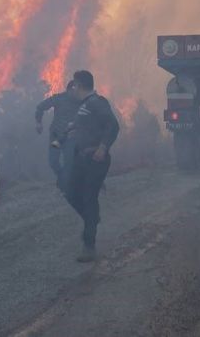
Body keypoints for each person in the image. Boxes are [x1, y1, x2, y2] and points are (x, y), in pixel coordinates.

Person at [63, 70, 119, 263]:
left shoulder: (97, 102)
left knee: (89, 198)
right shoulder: (84, 106)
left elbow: (113, 125)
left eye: (74, 85)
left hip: (95, 159)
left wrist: (103, 148)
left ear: (79, 85)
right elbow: (88, 126)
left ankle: (89, 246)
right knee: (69, 192)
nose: (72, 88)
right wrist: (74, 130)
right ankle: (92, 218)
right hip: (81, 157)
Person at [35, 80, 80, 193]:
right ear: (69, 90)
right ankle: (62, 178)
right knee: (53, 161)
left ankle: (67, 185)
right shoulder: (59, 98)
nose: (76, 93)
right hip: (56, 136)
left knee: (69, 162)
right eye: (74, 90)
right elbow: (40, 107)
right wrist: (39, 123)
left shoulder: (81, 101)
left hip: (70, 137)